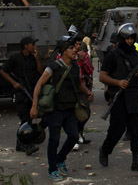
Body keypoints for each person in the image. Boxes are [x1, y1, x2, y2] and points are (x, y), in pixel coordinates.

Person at [30, 37, 94, 181]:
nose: (75, 50)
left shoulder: (75, 66)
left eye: (75, 48)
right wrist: (34, 106)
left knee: (73, 136)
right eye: (71, 48)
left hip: (70, 109)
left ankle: (60, 159)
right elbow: (39, 85)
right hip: (55, 110)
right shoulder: (53, 67)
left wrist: (87, 92)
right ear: (64, 51)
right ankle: (52, 169)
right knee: (54, 140)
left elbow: (78, 85)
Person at [98, 23, 138, 172]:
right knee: (117, 129)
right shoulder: (112, 55)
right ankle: (105, 150)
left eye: (132, 38)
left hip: (133, 96)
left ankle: (136, 161)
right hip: (119, 97)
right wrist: (118, 82)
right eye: (127, 39)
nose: (130, 41)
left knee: (137, 129)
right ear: (121, 39)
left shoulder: (136, 54)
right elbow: (102, 76)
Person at [0, 36, 43, 156]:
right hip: (21, 93)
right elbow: (3, 71)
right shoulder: (15, 58)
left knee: (29, 118)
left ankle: (24, 142)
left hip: (31, 91)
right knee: (24, 119)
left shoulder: (33, 58)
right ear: (25, 46)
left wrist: (36, 58)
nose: (34, 46)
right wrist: (14, 83)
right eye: (32, 44)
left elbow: (40, 71)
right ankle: (24, 144)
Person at [74, 41, 94, 149]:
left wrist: (84, 61)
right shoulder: (70, 56)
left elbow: (90, 70)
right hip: (72, 89)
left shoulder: (84, 57)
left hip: (82, 88)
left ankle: (79, 133)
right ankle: (74, 137)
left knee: (85, 112)